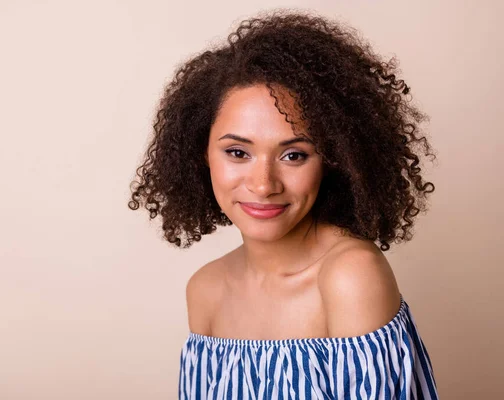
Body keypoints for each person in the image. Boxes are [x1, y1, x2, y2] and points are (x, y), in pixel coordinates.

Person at [128, 9, 438, 400]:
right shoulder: (205, 289)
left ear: (334, 160)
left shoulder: (350, 276)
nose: (263, 185)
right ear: (201, 154)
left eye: (293, 156)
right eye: (238, 152)